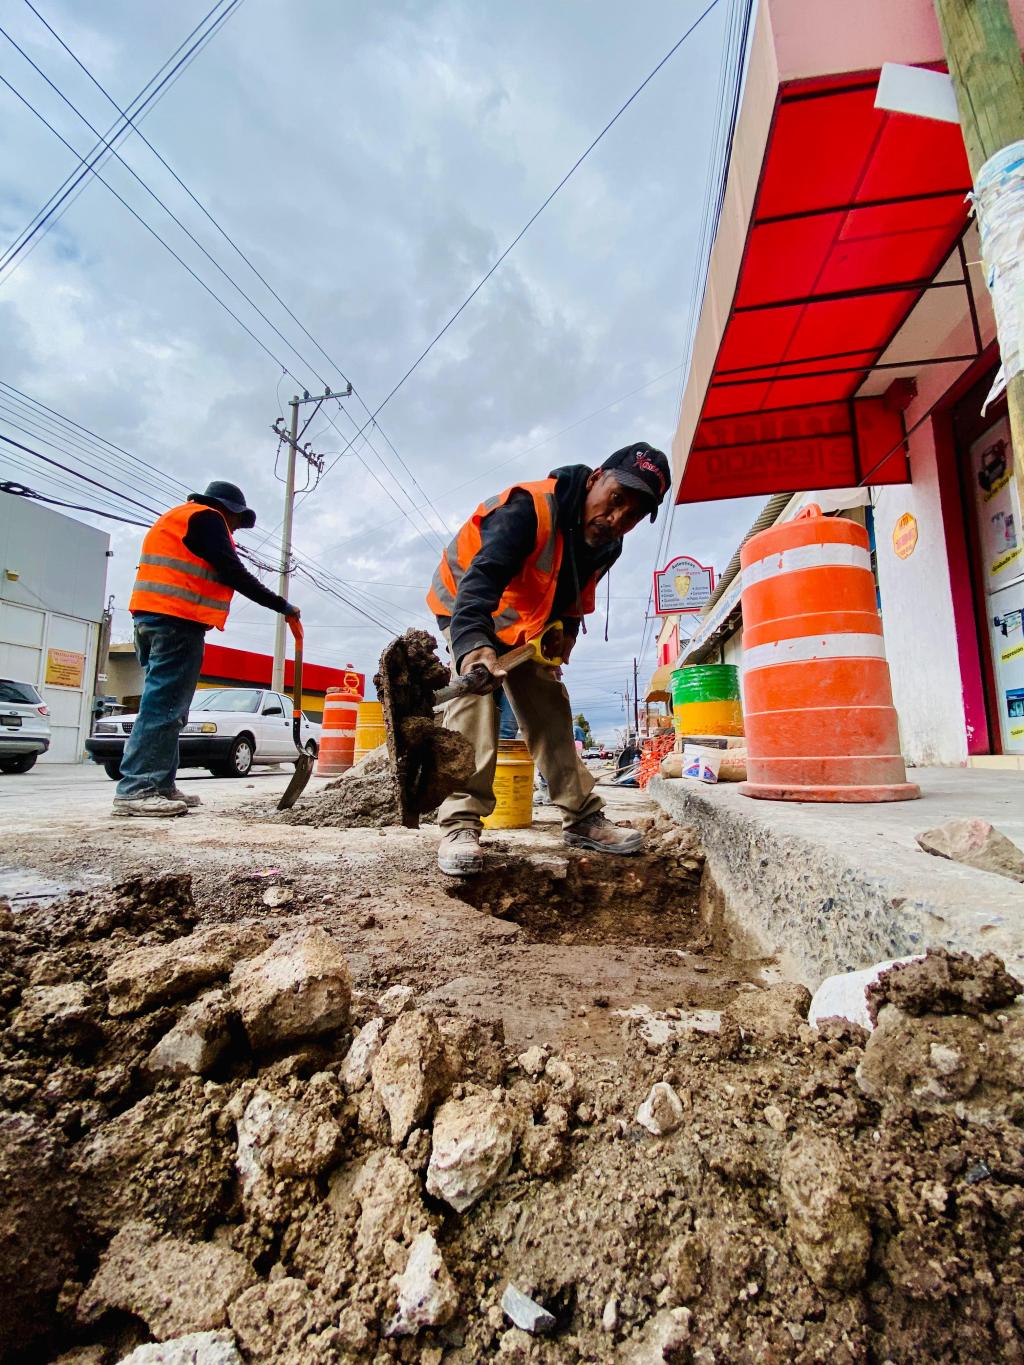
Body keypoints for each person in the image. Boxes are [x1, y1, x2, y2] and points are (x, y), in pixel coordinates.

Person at [426, 441, 671, 875]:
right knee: (476, 698)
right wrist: (474, 650)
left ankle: (582, 816)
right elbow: (480, 582)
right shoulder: (529, 508)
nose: (617, 519)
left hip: (525, 622)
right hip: (468, 603)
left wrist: (565, 635)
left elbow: (572, 593)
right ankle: (460, 823)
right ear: (596, 478)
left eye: (632, 515)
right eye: (615, 500)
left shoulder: (607, 545)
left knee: (548, 703)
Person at [112, 481, 300, 818]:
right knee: (164, 707)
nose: (234, 529)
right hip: (175, 621)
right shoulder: (208, 519)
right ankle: (136, 789)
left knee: (172, 708)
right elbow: (233, 572)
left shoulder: (179, 518)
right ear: (228, 509)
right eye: (236, 521)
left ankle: (160, 785)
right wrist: (282, 606)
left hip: (151, 618)